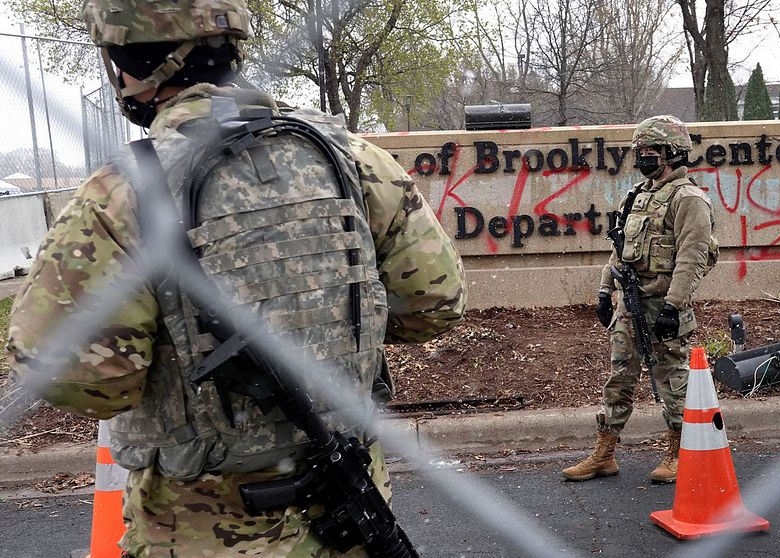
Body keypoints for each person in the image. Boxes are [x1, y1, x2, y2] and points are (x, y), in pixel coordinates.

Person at [5, 0, 465, 555]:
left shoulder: (120, 195)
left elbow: (73, 377)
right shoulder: (351, 157)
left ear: (134, 63)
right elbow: (435, 300)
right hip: (351, 508)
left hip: (203, 527)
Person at [562, 115, 717, 484]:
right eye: (640, 151)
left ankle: (680, 453)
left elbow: (693, 258)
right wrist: (604, 290)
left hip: (663, 307)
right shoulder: (639, 194)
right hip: (629, 306)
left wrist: (673, 306)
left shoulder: (689, 199)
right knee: (619, 380)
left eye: (650, 151)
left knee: (672, 380)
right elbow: (621, 249)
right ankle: (604, 453)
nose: (643, 157)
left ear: (672, 153)